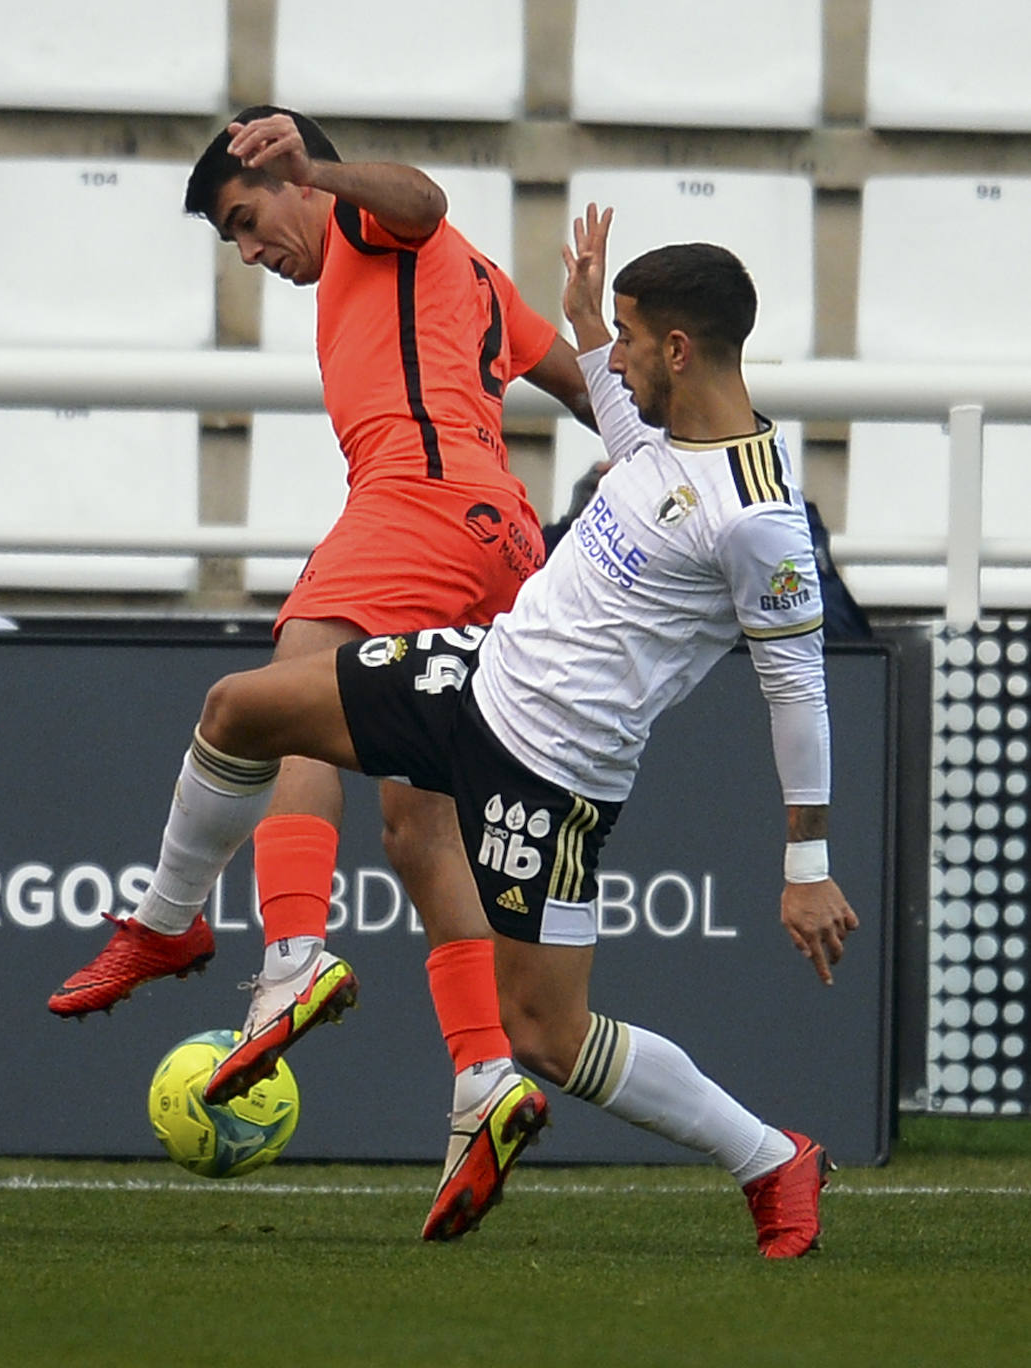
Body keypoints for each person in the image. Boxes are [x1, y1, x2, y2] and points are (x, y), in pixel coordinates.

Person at [64, 203, 859, 1257]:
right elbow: (637, 458)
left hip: (552, 777)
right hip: (468, 680)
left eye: (626, 338)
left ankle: (768, 1157)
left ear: (677, 347)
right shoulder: (668, 450)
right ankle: (170, 924)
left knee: (550, 1036)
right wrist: (580, 324)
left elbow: (796, 683)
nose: (609, 360)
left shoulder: (762, 518)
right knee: (239, 710)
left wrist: (804, 862)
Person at [48, 107, 595, 1242]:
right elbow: (586, 393)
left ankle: (280, 951)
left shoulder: (367, 222)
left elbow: (420, 201)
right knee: (417, 830)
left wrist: (322, 173)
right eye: (232, 240)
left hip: (418, 507)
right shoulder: (478, 283)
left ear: (297, 183)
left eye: (248, 222)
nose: (251, 251)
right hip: (503, 544)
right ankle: (483, 1076)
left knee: (282, 701)